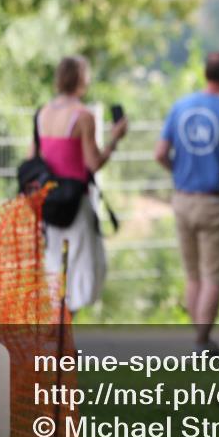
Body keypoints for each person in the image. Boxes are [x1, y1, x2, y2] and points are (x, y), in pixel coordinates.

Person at [155, 52, 219, 354]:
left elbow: (160, 153)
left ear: (206, 72)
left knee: (193, 275)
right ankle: (201, 342)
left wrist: (179, 172)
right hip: (216, 204)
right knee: (213, 276)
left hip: (183, 200)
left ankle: (198, 340)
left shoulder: (180, 106)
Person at [38, 55, 128, 313]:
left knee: (55, 266)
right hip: (75, 202)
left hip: (49, 200)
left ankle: (56, 326)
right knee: (82, 268)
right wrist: (114, 139)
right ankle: (64, 328)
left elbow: (37, 155)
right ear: (81, 79)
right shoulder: (83, 116)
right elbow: (93, 163)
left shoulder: (44, 113)